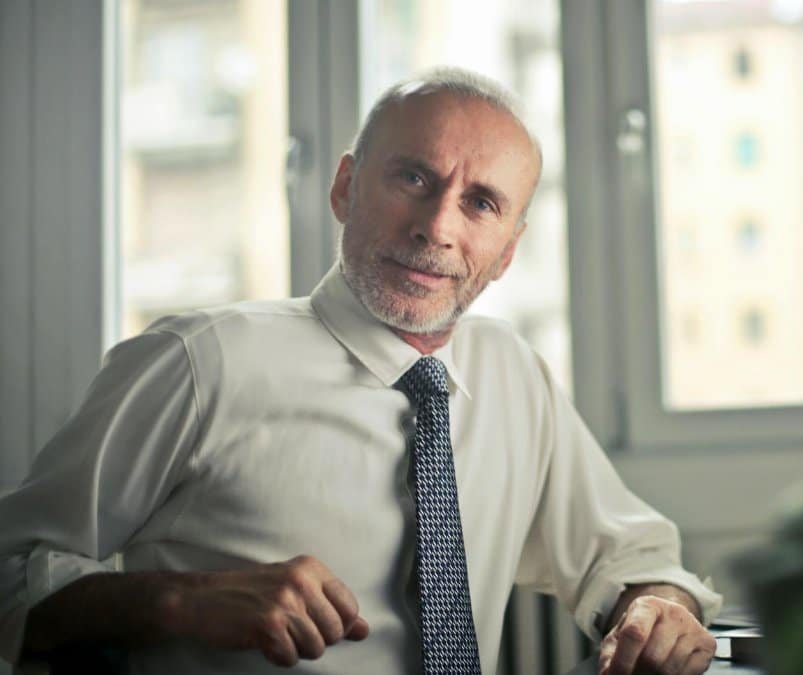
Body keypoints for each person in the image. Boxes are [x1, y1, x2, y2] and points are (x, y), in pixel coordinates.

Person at [0, 67, 721, 675]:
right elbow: (11, 570)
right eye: (413, 176)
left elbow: (629, 555)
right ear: (345, 187)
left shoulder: (513, 374)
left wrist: (658, 606)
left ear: (506, 252)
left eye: (481, 203)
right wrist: (180, 600)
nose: (437, 226)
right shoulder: (199, 363)